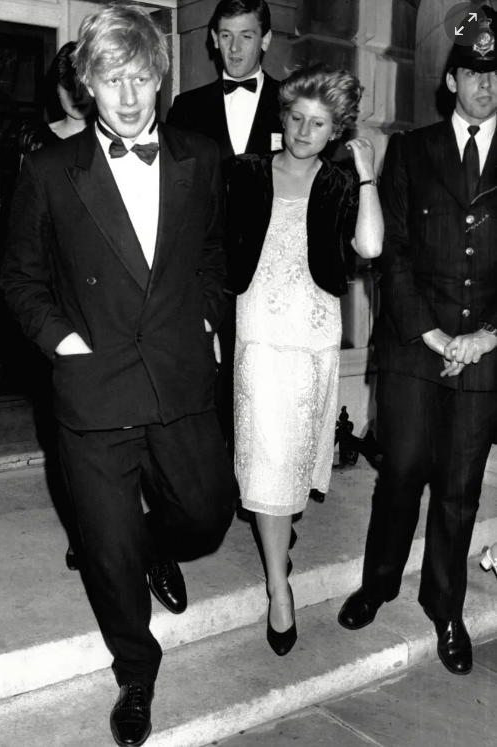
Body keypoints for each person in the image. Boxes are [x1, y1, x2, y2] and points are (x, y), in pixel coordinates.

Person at [0, 5, 238, 745]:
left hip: (176, 376)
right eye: (111, 80)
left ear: (160, 77)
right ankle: (136, 672)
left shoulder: (201, 158)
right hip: (95, 386)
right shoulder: (50, 170)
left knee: (207, 514)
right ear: (87, 85)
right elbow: (18, 278)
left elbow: (214, 256)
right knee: (107, 549)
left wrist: (207, 318)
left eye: (140, 78)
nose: (128, 97)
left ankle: (153, 542)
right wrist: (62, 341)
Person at [338, 6, 497, 678]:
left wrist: (485, 337)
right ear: (452, 79)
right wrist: (434, 334)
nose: (488, 84)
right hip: (413, 344)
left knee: (460, 487)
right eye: (476, 72)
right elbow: (392, 255)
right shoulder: (410, 150)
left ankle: (446, 607)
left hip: (485, 351)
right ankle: (378, 584)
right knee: (401, 470)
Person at [226, 64, 383, 656]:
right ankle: (278, 586)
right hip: (259, 332)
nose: (302, 131)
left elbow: (370, 246)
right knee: (266, 459)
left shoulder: (340, 183)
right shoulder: (246, 172)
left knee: (291, 457)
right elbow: (217, 249)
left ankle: (277, 541)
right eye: (296, 118)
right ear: (284, 115)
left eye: (318, 124)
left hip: (314, 333)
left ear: (335, 130)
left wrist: (366, 174)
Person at [166, 0, 283, 455]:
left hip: (273, 279)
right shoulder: (186, 108)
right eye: (226, 35)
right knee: (208, 397)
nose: (235, 48)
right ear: (213, 38)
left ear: (265, 39)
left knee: (266, 401)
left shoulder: (293, 105)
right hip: (207, 279)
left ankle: (262, 492)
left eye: (247, 36)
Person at [18, 40, 97, 573]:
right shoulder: (36, 143)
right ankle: (82, 529)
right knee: (64, 430)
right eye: (64, 84)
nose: (72, 95)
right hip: (55, 304)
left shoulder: (120, 141)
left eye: (79, 83)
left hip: (109, 304)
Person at [18, 40, 96, 163]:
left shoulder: (112, 140)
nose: (77, 96)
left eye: (83, 87)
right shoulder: (36, 139)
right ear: (56, 88)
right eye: (68, 87)